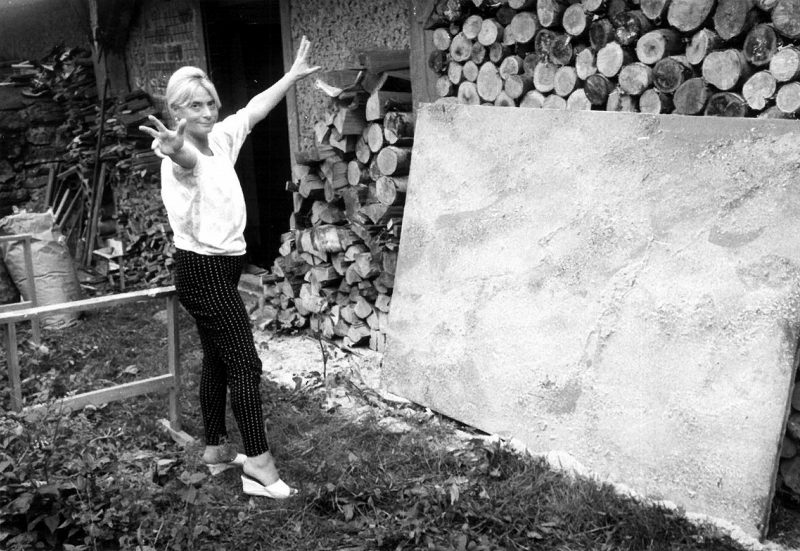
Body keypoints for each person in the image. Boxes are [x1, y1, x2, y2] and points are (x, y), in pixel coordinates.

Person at [139, 36, 320, 499]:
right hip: (201, 271)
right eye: (194, 105)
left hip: (223, 269)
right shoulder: (183, 155)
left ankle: (217, 452)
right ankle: (259, 463)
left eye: (210, 102)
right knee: (246, 362)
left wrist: (291, 76)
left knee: (219, 361)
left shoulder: (220, 138)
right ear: (177, 112)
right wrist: (174, 146)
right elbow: (183, 159)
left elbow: (255, 109)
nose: (206, 111)